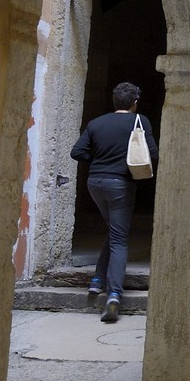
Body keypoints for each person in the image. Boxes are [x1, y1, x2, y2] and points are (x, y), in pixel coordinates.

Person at [71, 82, 157, 323]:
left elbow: (76, 152)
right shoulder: (139, 121)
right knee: (119, 238)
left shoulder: (96, 123)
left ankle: (97, 281)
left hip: (95, 183)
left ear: (114, 101)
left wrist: (98, 160)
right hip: (120, 184)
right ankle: (114, 297)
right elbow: (154, 154)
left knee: (114, 230)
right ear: (134, 102)